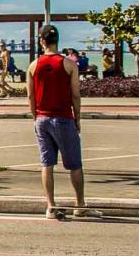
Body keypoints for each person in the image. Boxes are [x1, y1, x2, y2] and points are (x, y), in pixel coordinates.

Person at [27, 24, 94, 219]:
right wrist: (77, 118)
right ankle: (80, 204)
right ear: (57, 41)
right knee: (74, 163)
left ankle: (51, 205)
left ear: (41, 41)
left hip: (42, 118)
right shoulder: (69, 64)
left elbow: (30, 96)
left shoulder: (33, 65)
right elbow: (75, 95)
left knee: (46, 163)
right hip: (63, 118)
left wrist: (35, 116)